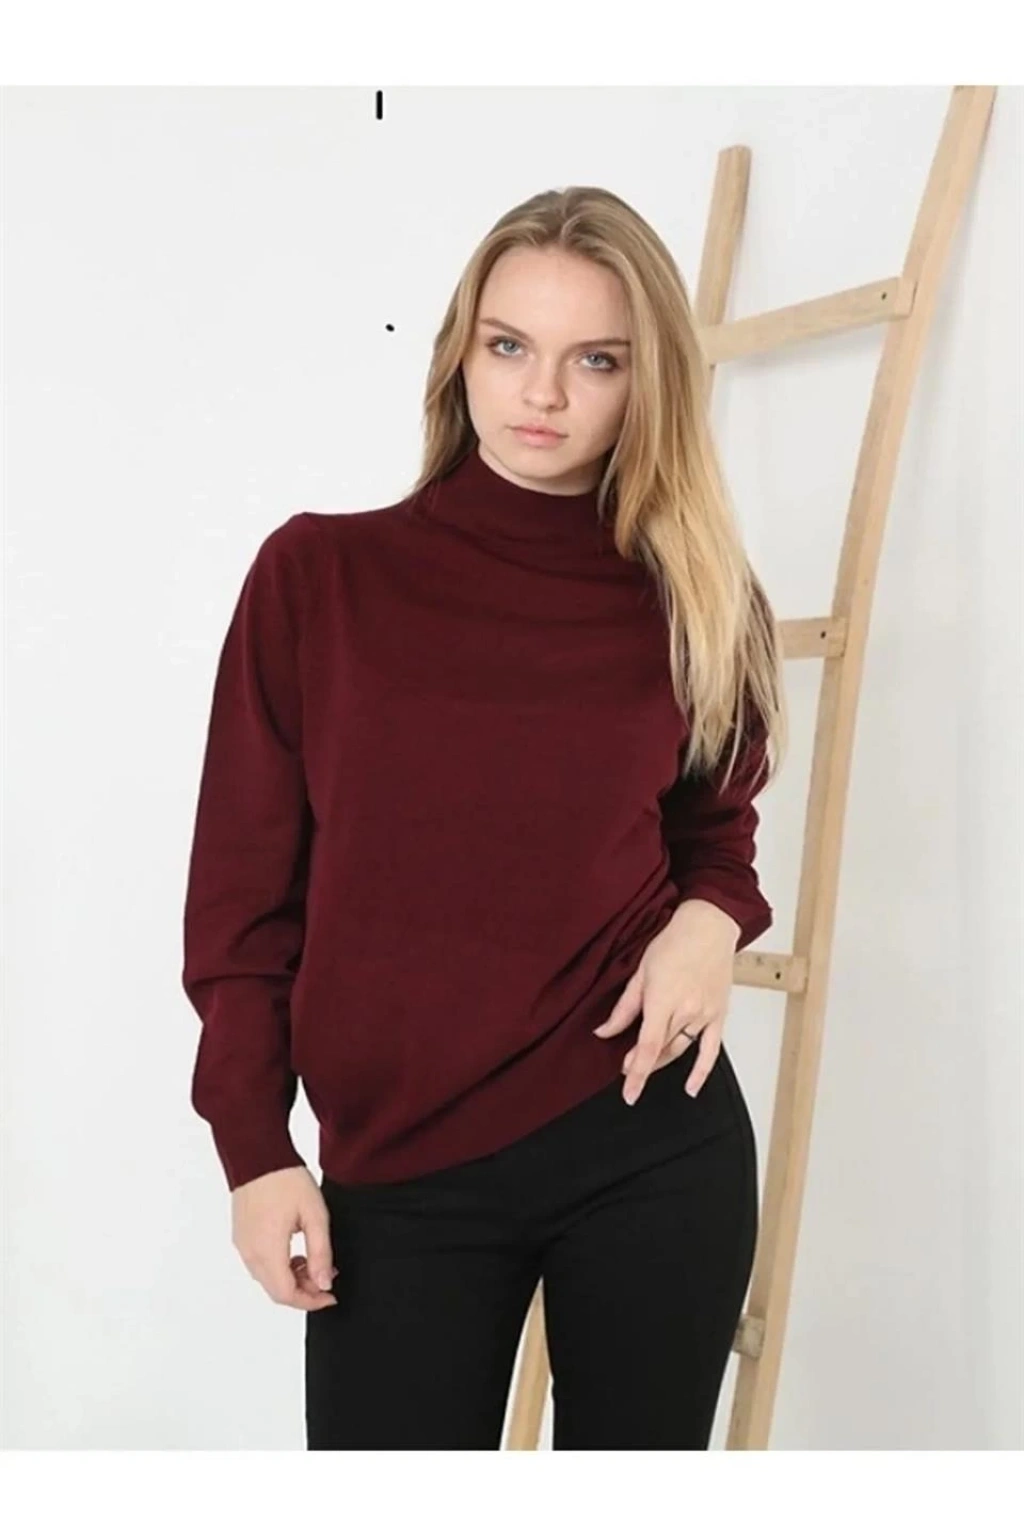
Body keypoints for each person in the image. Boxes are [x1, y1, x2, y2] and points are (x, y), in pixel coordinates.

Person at [180, 183, 788, 1450]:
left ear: (647, 381)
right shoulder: (320, 577)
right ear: (461, 350)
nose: (542, 393)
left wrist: (708, 923)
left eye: (596, 360)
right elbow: (242, 903)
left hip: (650, 1137)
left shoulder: (695, 595)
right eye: (510, 345)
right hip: (401, 1168)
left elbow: (712, 831)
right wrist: (254, 1146)